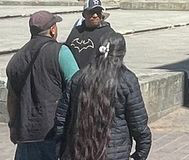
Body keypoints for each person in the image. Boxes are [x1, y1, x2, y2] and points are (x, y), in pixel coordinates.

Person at [55, 32, 152, 160]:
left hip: (78, 152)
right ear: (122, 53)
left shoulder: (79, 78)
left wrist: (61, 151)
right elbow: (139, 126)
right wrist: (140, 154)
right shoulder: (127, 80)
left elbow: (61, 119)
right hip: (114, 154)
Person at [7, 10, 80, 160]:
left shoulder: (16, 58)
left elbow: (12, 99)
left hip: (25, 133)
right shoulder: (60, 52)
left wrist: (13, 126)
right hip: (53, 132)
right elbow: (79, 87)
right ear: (53, 29)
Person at [65, 0, 117, 68]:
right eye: (91, 12)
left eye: (98, 12)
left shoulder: (108, 33)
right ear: (84, 14)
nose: (95, 15)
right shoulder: (76, 31)